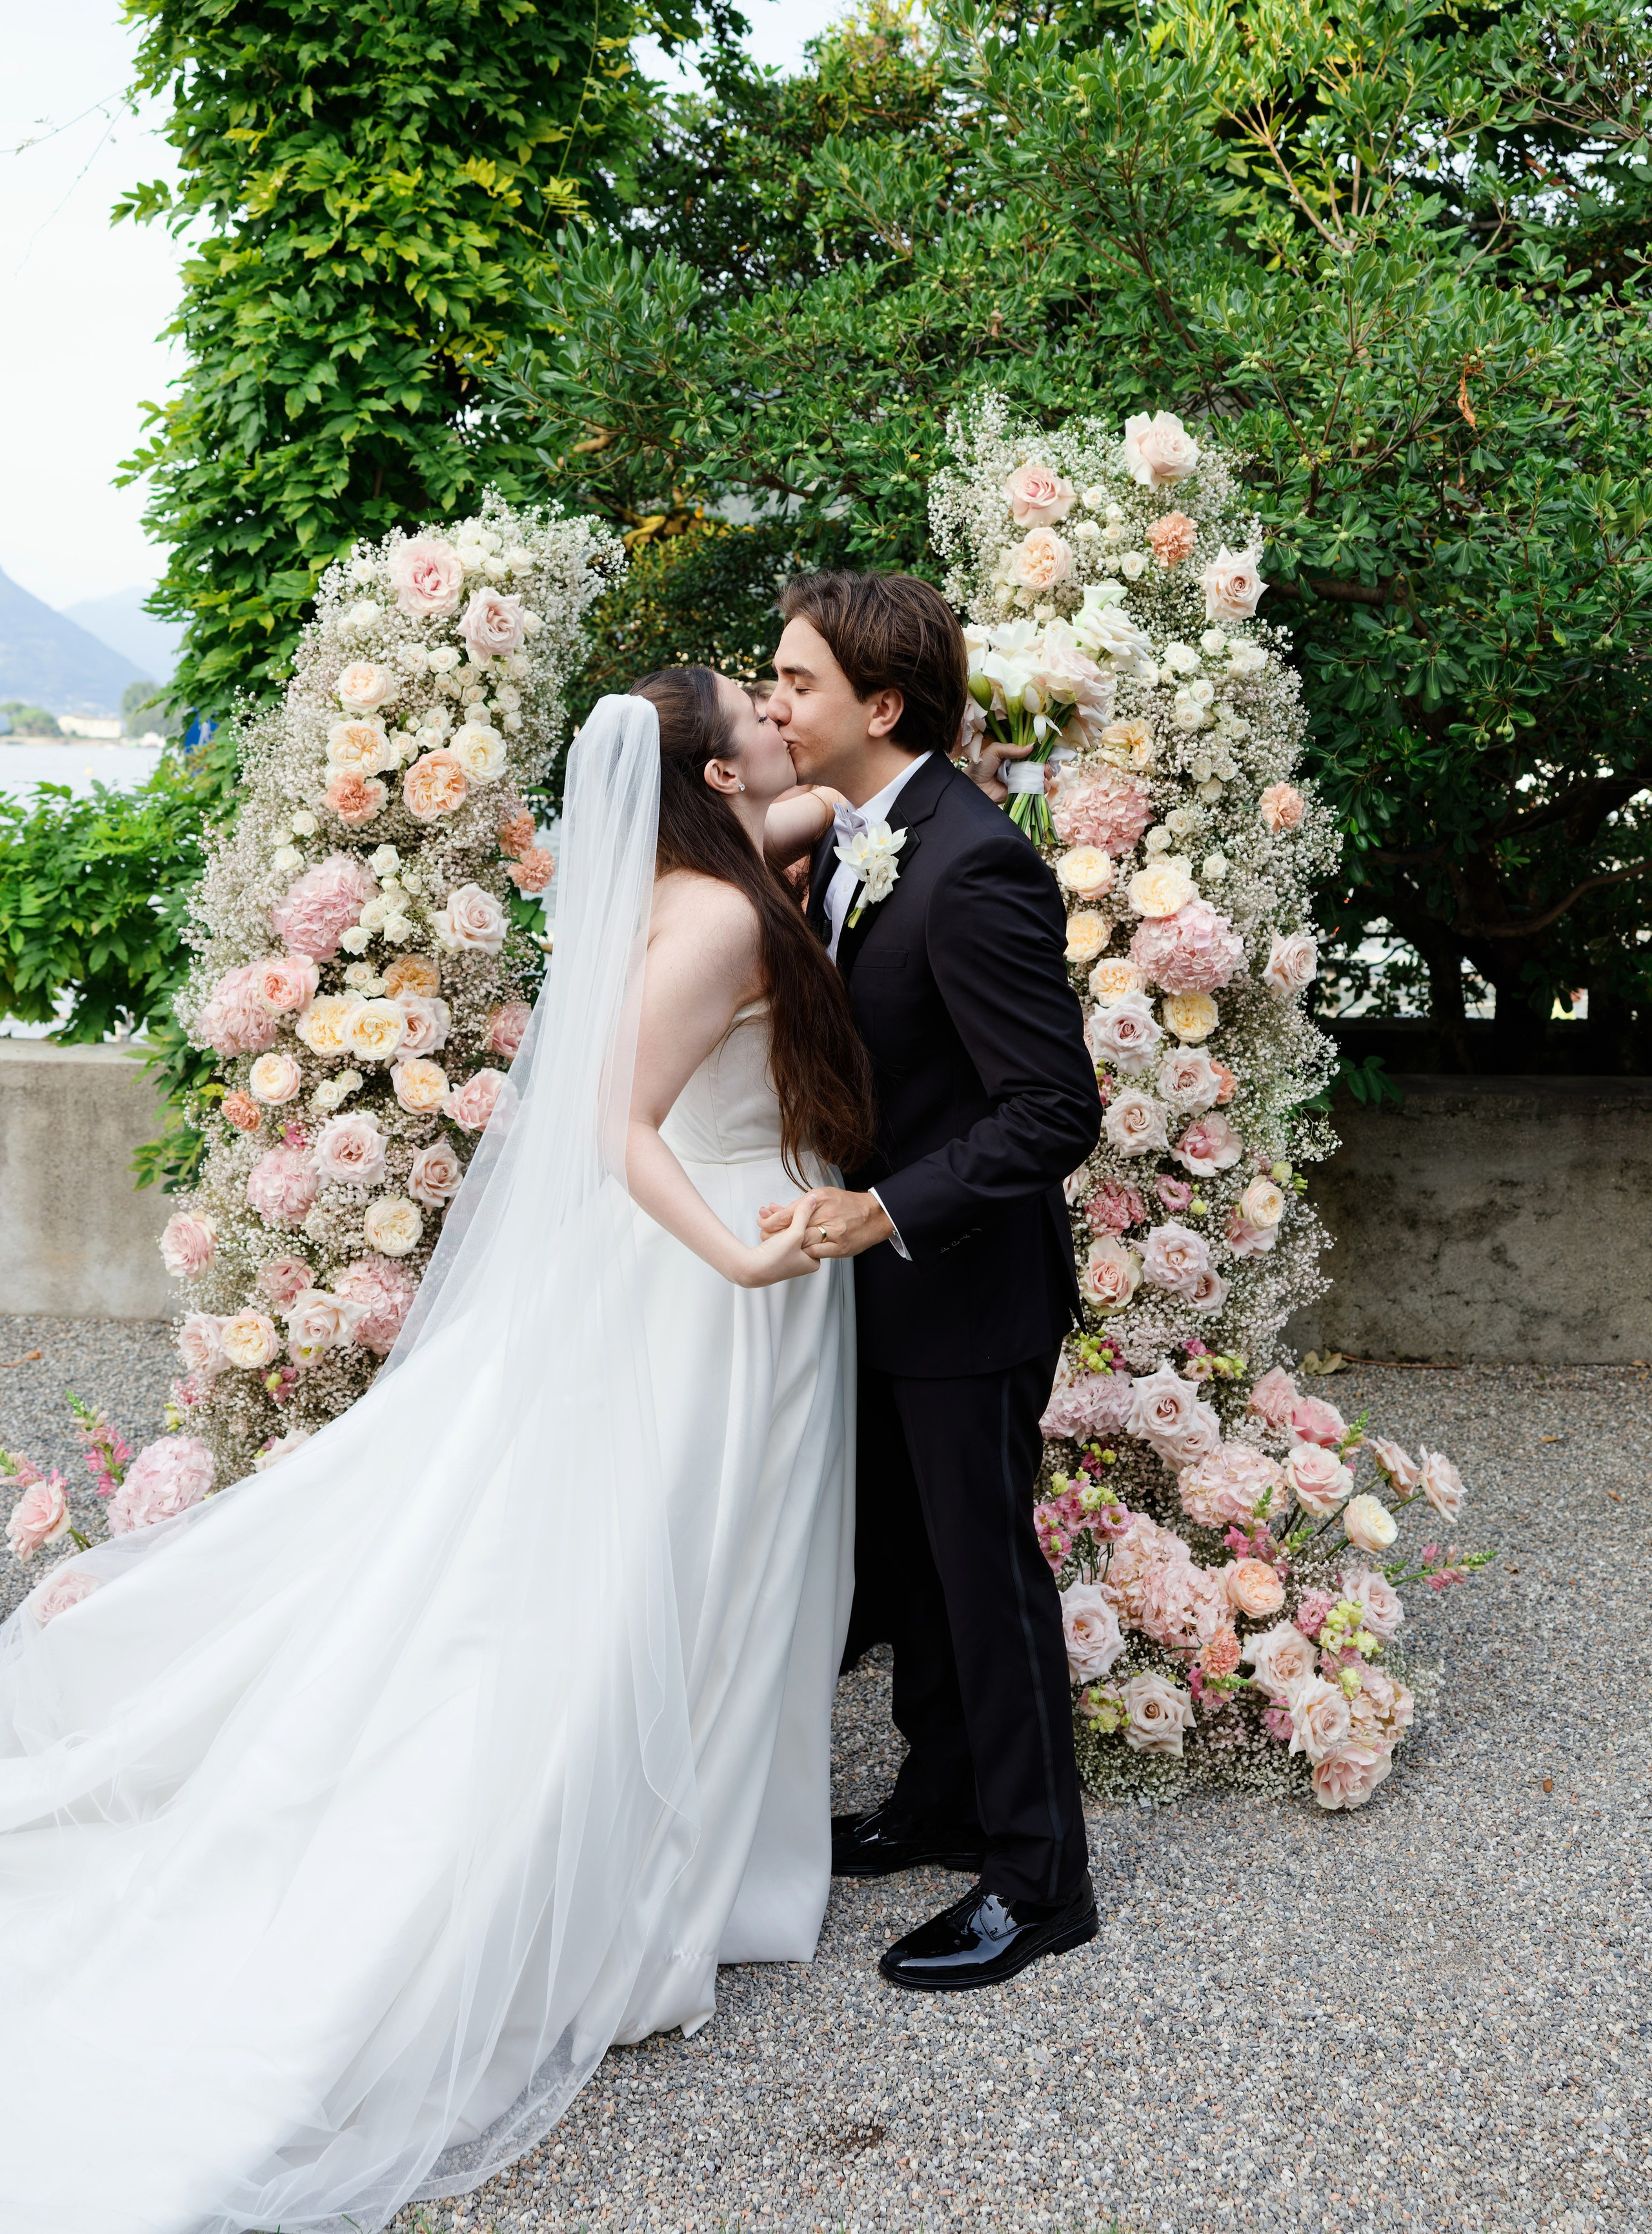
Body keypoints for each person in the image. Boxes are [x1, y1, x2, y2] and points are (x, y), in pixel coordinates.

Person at [0, 677, 870, 2234]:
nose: (776, 720)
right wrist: (738, 1263)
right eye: (756, 712)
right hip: (713, 1271)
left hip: (749, 1256)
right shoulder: (719, 921)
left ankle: (701, 1845)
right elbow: (617, 1119)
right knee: (667, 1573)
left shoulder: (719, 859)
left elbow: (817, 809)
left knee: (706, 1567)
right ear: (709, 770)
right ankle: (621, 1870)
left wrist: (937, 762)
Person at [759, 569, 1104, 1995]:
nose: (773, 702)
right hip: (885, 1289)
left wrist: (887, 1211)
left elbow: (1050, 1110)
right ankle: (939, 1797)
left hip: (963, 1290)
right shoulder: (849, 839)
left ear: (878, 706)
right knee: (906, 1564)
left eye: (794, 683)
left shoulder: (971, 863)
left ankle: (1038, 1879)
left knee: (984, 1577)